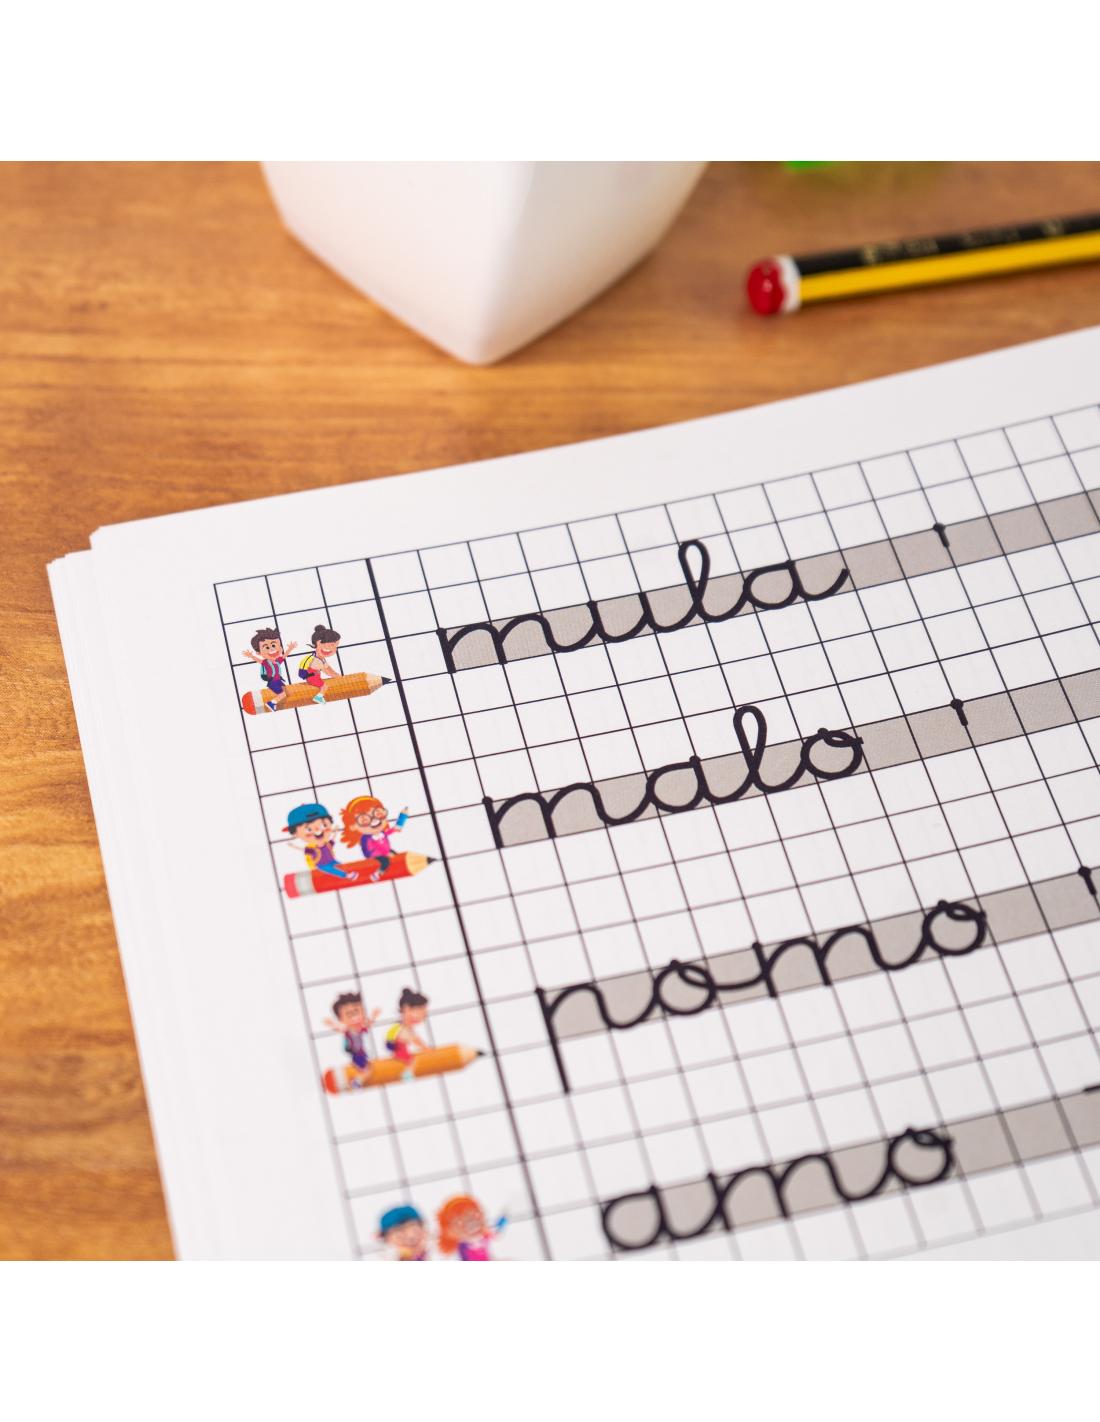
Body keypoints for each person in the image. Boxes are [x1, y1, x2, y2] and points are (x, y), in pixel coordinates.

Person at [340, 795, 408, 882]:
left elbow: (395, 829)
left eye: (378, 814)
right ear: (353, 826)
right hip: (376, 855)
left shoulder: (382, 833)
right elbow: (368, 850)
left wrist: (402, 818)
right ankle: (377, 874)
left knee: (396, 857)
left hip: (386, 851)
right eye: (364, 820)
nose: (374, 820)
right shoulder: (366, 838)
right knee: (385, 862)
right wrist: (382, 854)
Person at [284, 803, 350, 880]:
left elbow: (333, 839)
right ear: (295, 834)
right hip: (322, 866)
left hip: (332, 861)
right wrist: (292, 846)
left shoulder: (327, 845)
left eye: (324, 825)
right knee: (330, 869)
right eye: (309, 829)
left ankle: (348, 873)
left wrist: (335, 831)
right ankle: (345, 875)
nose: (318, 831)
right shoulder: (312, 850)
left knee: (340, 866)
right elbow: (302, 849)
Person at [241, 628, 298, 711]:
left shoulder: (277, 661)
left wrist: (290, 649)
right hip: (273, 682)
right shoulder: (266, 662)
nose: (272, 649)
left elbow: (284, 656)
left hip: (279, 681)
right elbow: (259, 660)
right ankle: (271, 703)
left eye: (274, 645)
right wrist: (251, 656)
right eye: (267, 647)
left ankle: (275, 703)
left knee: (286, 693)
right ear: (259, 653)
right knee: (283, 694)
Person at [325, 991, 381, 1074]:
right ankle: (359, 1079)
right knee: (364, 1069)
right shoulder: (347, 1029)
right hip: (355, 1052)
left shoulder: (360, 1028)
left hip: (361, 1051)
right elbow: (339, 1028)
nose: (355, 1018)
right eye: (349, 1015)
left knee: (366, 1066)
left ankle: (361, 1075)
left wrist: (373, 1016)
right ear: (341, 1019)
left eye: (357, 1012)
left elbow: (367, 1023)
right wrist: (331, 1024)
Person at [436, 1195, 507, 1261]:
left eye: (474, 1214)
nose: (471, 1223)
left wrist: (503, 1220)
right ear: (450, 1232)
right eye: (459, 1221)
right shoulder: (462, 1247)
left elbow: (496, 1232)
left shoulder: (484, 1236)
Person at [297, 624, 342, 705]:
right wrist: (337, 676)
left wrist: (337, 675)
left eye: (335, 646)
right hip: (312, 678)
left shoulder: (321, 659)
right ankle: (318, 697)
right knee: (325, 686)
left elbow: (328, 668)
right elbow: (327, 671)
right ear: (317, 643)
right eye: (330, 645)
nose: (332, 648)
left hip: (315, 677)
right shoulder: (315, 660)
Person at [385, 988, 430, 1063]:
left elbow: (416, 1040)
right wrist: (427, 1050)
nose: (423, 1016)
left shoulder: (407, 1028)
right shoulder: (400, 1028)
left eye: (424, 1013)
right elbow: (415, 1040)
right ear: (406, 1009)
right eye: (420, 1012)